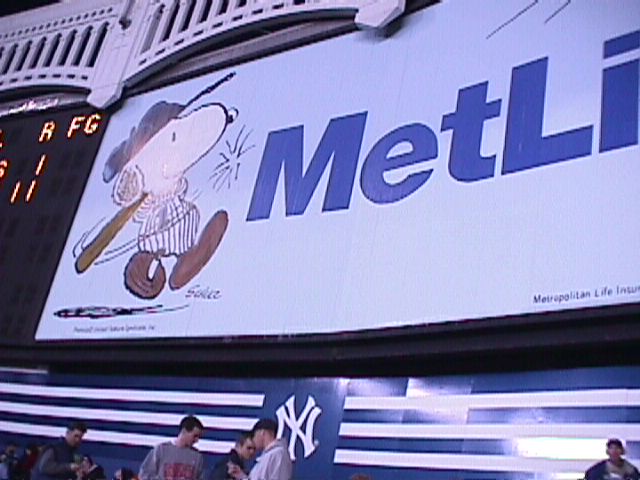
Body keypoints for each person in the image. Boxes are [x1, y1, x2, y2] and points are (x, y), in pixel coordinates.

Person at [138, 415, 206, 480]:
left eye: (199, 437)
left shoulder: (197, 457)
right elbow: (144, 475)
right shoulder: (161, 450)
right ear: (184, 431)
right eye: (195, 436)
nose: (197, 440)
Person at [228, 419, 292, 480]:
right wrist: (242, 476)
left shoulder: (278, 453)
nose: (253, 439)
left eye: (254, 435)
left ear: (262, 433)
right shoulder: (269, 454)